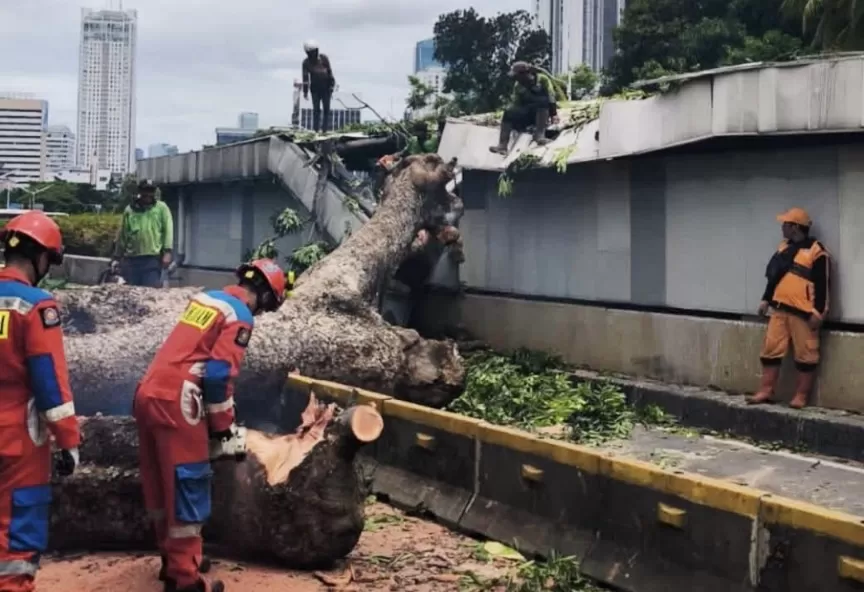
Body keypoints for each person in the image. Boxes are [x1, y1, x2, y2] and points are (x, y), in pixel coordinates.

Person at [133, 259, 287, 592]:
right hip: (180, 401)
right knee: (189, 485)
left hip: (148, 392)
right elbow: (218, 376)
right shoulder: (240, 315)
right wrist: (224, 429)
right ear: (263, 295)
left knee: (161, 483)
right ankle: (187, 580)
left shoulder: (206, 300)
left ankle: (172, 560)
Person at [0, 211, 80, 592]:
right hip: (16, 437)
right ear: (40, 257)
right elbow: (49, 382)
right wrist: (68, 441)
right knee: (17, 530)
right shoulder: (36, 306)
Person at [748, 207, 830, 409]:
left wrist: (819, 312)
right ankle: (766, 390)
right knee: (770, 350)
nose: (782, 227)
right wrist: (765, 299)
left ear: (795, 227)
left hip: (804, 313)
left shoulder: (816, 251)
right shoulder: (783, 248)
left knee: (806, 354)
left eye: (785, 224)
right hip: (779, 309)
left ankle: (801, 396)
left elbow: (823, 284)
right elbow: (774, 277)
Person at [113, 179, 174, 288]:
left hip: (152, 258)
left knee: (149, 291)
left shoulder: (161, 208)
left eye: (151, 191)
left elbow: (168, 230)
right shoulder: (130, 210)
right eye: (145, 191)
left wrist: (167, 251)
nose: (148, 194)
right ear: (140, 192)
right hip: (132, 260)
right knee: (132, 293)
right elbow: (123, 235)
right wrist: (117, 257)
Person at [489, 61, 559, 155]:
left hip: (542, 113)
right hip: (527, 113)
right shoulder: (518, 86)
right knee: (509, 112)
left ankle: (539, 136)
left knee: (542, 101)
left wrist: (554, 114)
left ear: (524, 74)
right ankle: (502, 145)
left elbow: (551, 96)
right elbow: (515, 103)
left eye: (517, 76)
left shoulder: (542, 80)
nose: (516, 79)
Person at [301, 40, 336, 133]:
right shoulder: (306, 63)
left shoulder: (323, 58)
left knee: (326, 110)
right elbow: (305, 79)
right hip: (315, 89)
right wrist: (305, 92)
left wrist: (332, 84)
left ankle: (324, 130)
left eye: (315, 51)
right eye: (312, 52)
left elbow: (330, 72)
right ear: (308, 53)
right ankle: (316, 130)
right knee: (316, 110)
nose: (314, 53)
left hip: (326, 88)